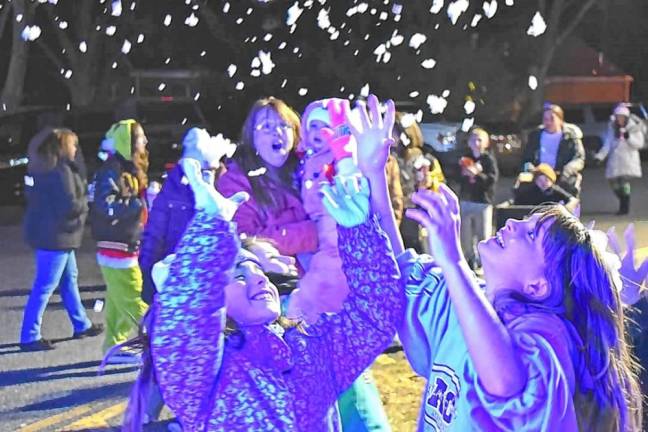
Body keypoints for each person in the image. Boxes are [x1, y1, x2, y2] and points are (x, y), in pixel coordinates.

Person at [349, 95, 642, 431]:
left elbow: (507, 385)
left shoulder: (545, 330)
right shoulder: (464, 299)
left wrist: (453, 259)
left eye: (531, 235)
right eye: (527, 222)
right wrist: (373, 172)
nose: (514, 225)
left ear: (537, 286)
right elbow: (397, 269)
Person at [129, 138, 404, 431]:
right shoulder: (204, 374)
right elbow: (185, 328)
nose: (258, 277)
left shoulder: (308, 347)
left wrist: (359, 230)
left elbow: (374, 316)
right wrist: (210, 227)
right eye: (237, 275)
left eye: (257, 268)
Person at [297, 98, 392, 431]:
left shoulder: (344, 161)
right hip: (321, 265)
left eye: (327, 124)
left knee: (339, 355)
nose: (318, 131)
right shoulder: (306, 164)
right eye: (311, 124)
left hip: (342, 261)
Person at [20, 128, 103, 351]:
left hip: (53, 234)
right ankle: (29, 335)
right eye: (73, 144)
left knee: (68, 280)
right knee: (45, 286)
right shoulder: (60, 171)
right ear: (64, 146)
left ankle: (81, 324)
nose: (76, 149)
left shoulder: (43, 167)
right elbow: (70, 205)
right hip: (56, 236)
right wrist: (88, 200)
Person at [216, 97, 318, 268]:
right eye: (266, 126)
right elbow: (241, 240)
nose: (276, 131)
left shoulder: (309, 172)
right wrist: (313, 233)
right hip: (270, 284)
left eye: (284, 125)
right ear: (251, 138)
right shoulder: (235, 184)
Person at [139, 127, 236, 305]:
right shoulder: (175, 187)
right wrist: (147, 271)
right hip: (178, 271)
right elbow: (155, 231)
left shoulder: (225, 182)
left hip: (216, 275)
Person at [90, 119, 149, 361]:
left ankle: (114, 345)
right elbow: (105, 205)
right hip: (116, 245)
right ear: (128, 141)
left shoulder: (123, 167)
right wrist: (138, 203)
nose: (145, 142)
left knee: (117, 299)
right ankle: (163, 344)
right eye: (140, 138)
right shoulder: (111, 169)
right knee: (136, 297)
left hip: (123, 242)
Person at [392, 111, 445, 253]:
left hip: (412, 211)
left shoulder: (418, 157)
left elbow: (429, 183)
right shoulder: (389, 155)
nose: (390, 135)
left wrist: (425, 182)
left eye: (394, 131)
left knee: (414, 249)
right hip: (395, 210)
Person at [521, 103, 585, 198]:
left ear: (560, 120)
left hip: (562, 176)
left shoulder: (570, 137)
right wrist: (529, 168)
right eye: (545, 119)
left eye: (552, 119)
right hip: (539, 175)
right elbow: (526, 159)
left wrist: (567, 170)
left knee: (567, 191)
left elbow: (579, 159)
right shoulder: (535, 136)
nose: (548, 122)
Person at [456, 127, 498, 270]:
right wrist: (464, 174)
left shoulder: (488, 160)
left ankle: (484, 262)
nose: (476, 143)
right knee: (465, 233)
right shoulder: (464, 158)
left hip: (483, 201)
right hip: (466, 200)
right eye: (473, 139)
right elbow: (456, 177)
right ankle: (469, 258)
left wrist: (477, 175)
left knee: (483, 233)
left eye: (480, 140)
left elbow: (492, 179)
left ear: (486, 143)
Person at [594, 103, 644, 215]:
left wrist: (628, 137)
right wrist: (599, 157)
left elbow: (639, 144)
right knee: (614, 183)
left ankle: (624, 206)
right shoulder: (612, 127)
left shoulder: (634, 127)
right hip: (615, 160)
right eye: (618, 117)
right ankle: (623, 200)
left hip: (628, 160)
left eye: (622, 117)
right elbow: (608, 143)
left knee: (623, 182)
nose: (619, 119)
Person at [513, 163, 578, 211]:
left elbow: (573, 200)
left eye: (546, 180)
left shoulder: (555, 190)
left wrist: (566, 209)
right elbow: (517, 204)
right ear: (535, 181)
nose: (543, 183)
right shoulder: (531, 191)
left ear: (551, 181)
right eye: (539, 180)